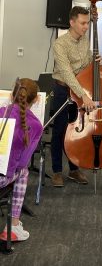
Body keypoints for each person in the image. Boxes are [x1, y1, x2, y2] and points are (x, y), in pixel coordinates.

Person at [51, 6, 102, 187]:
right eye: (82, 23)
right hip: (63, 90)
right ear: (72, 22)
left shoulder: (84, 41)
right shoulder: (60, 44)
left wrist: (97, 61)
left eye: (87, 23)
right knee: (59, 132)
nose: (86, 27)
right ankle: (57, 171)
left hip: (80, 92)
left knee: (75, 132)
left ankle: (74, 170)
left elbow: (87, 62)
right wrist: (83, 96)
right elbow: (67, 74)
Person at [0, 78, 43, 241]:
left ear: (12, 96)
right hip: (2, 178)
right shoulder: (36, 125)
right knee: (23, 172)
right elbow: (22, 163)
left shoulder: (1, 111)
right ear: (36, 99)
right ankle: (13, 227)